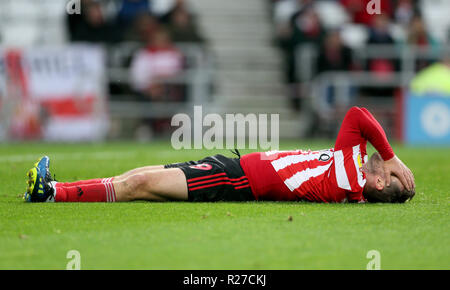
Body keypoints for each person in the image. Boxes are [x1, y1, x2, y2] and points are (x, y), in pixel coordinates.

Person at [24, 107, 415, 204]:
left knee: (139, 184)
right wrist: (388, 164)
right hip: (234, 168)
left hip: (235, 179)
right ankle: (53, 189)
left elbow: (357, 116)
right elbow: (360, 124)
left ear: (379, 181)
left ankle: (51, 192)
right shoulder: (348, 177)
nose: (386, 164)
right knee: (143, 176)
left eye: (392, 172)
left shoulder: (350, 176)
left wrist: (392, 155)